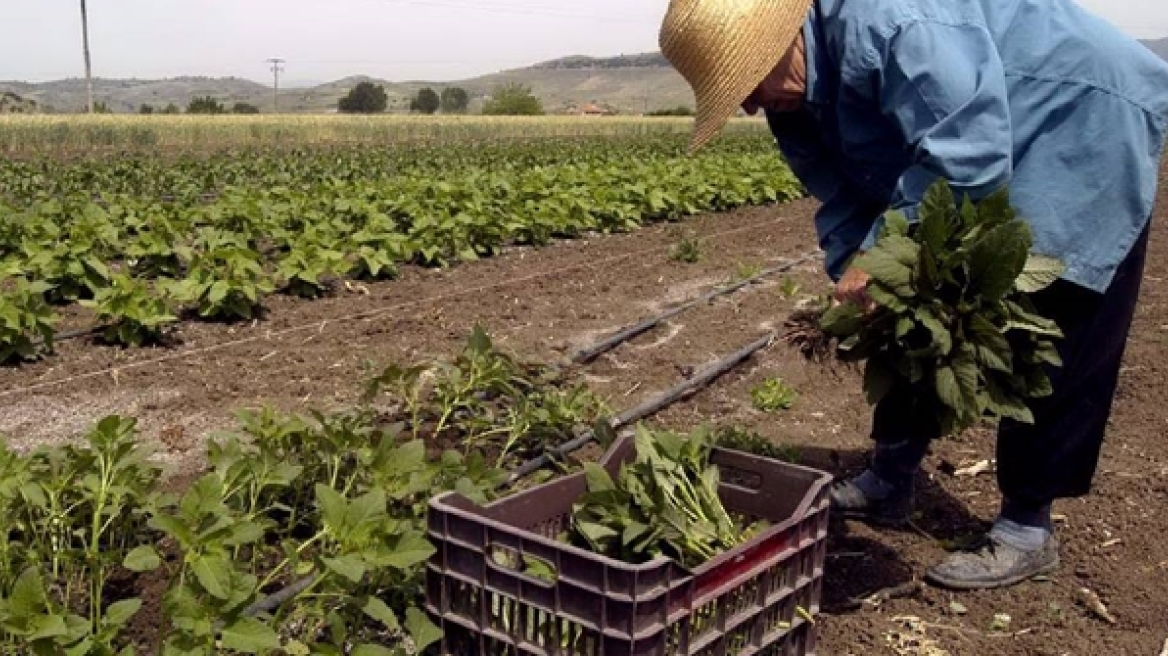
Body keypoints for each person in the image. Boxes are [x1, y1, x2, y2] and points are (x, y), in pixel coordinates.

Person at [659, 0, 1168, 590]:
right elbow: (844, 199)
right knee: (904, 300)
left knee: (1056, 308)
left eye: (746, 82)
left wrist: (881, 256)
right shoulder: (792, 101)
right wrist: (858, 265)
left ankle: (1027, 525)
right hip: (984, 124)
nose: (748, 105)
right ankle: (892, 475)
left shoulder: (889, 21)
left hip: (1080, 110)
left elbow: (969, 154)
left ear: (783, 38)